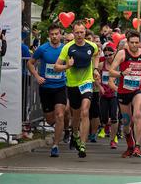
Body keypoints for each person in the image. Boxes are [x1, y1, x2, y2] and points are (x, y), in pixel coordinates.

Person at [54, 20, 100, 158]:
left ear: (85, 32)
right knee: (76, 115)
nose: (79, 35)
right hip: (72, 85)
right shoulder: (67, 48)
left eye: (82, 32)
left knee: (85, 112)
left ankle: (82, 145)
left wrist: (96, 69)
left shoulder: (92, 46)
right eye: (77, 32)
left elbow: (96, 55)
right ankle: (75, 134)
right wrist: (67, 66)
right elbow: (56, 67)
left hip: (86, 83)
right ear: (73, 33)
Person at [109, 30, 141, 158]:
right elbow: (111, 71)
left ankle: (137, 146)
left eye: (137, 42)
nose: (135, 45)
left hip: (138, 89)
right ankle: (130, 143)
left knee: (137, 114)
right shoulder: (122, 54)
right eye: (132, 43)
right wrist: (122, 73)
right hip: (124, 91)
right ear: (127, 43)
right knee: (126, 123)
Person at [26, 23, 66, 157]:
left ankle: (55, 145)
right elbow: (30, 63)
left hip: (60, 86)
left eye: (57, 34)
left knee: (60, 115)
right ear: (49, 35)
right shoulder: (43, 49)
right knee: (50, 120)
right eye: (52, 34)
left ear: (60, 34)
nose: (54, 36)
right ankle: (62, 127)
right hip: (46, 87)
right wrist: (37, 76)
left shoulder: (66, 49)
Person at [98, 42, 120, 148]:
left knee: (114, 117)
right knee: (104, 119)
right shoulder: (102, 65)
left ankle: (113, 139)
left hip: (114, 94)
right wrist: (100, 87)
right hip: (104, 94)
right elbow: (95, 76)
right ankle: (106, 126)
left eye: (110, 55)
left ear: (114, 53)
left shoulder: (118, 65)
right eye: (105, 55)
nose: (108, 57)